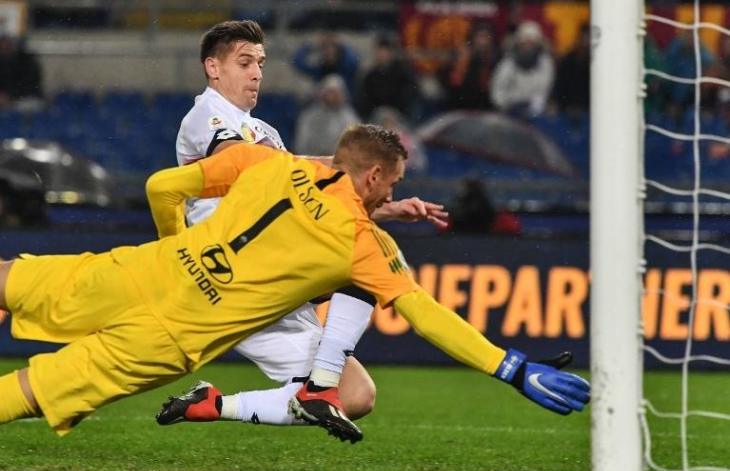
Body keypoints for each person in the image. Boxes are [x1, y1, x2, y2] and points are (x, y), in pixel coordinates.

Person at [0, 125, 590, 443]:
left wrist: (170, 246)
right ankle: (318, 386)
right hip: (169, 337)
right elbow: (426, 315)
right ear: (375, 175)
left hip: (140, 272)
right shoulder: (363, 247)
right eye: (389, 185)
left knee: (8, 279)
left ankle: (311, 388)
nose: (389, 194)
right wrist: (509, 367)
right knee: (33, 389)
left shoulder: (268, 161)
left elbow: (161, 186)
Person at [167, 20, 446, 433]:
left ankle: (212, 404)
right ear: (213, 67)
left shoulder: (265, 131)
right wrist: (346, 172)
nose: (257, 73)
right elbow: (242, 164)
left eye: (260, 62)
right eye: (245, 62)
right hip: (234, 273)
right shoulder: (205, 115)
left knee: (355, 396)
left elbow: (306, 187)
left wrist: (385, 205)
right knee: (359, 256)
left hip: (276, 277)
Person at [490, 21, 554, 118]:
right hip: (509, 110)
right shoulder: (508, 62)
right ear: (519, 42)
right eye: (525, 42)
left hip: (534, 112)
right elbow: (497, 90)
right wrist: (505, 105)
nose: (528, 45)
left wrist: (535, 109)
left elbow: (543, 90)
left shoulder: (546, 63)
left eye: (531, 42)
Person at [294, 74, 360, 156]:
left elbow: (354, 144)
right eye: (329, 92)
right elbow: (301, 143)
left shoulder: (350, 117)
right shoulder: (309, 116)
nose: (331, 97)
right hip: (313, 160)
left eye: (335, 93)